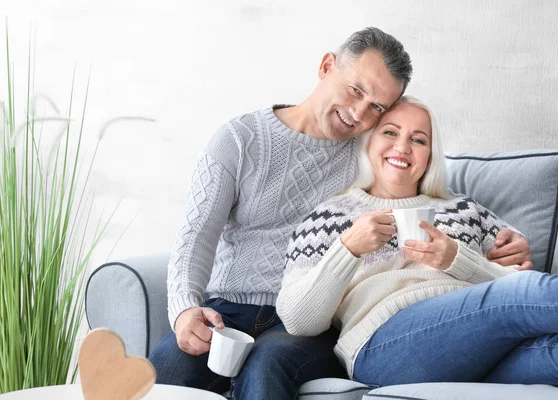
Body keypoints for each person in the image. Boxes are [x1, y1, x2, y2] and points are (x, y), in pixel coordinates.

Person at [149, 28, 532, 400]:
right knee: (162, 374)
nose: (359, 112)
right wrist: (184, 310)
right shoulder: (238, 139)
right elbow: (195, 238)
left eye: (376, 107)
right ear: (327, 65)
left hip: (311, 319)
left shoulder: (371, 155)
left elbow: (431, 190)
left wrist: (505, 237)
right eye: (356, 89)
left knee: (268, 365)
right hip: (228, 309)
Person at [277, 96, 558, 388]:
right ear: (368, 140)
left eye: (418, 140)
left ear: (430, 154)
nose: (403, 147)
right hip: (385, 347)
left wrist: (458, 259)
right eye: (390, 132)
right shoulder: (330, 215)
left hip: (478, 345)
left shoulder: (465, 209)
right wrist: (348, 249)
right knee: (516, 294)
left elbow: (513, 275)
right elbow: (298, 321)